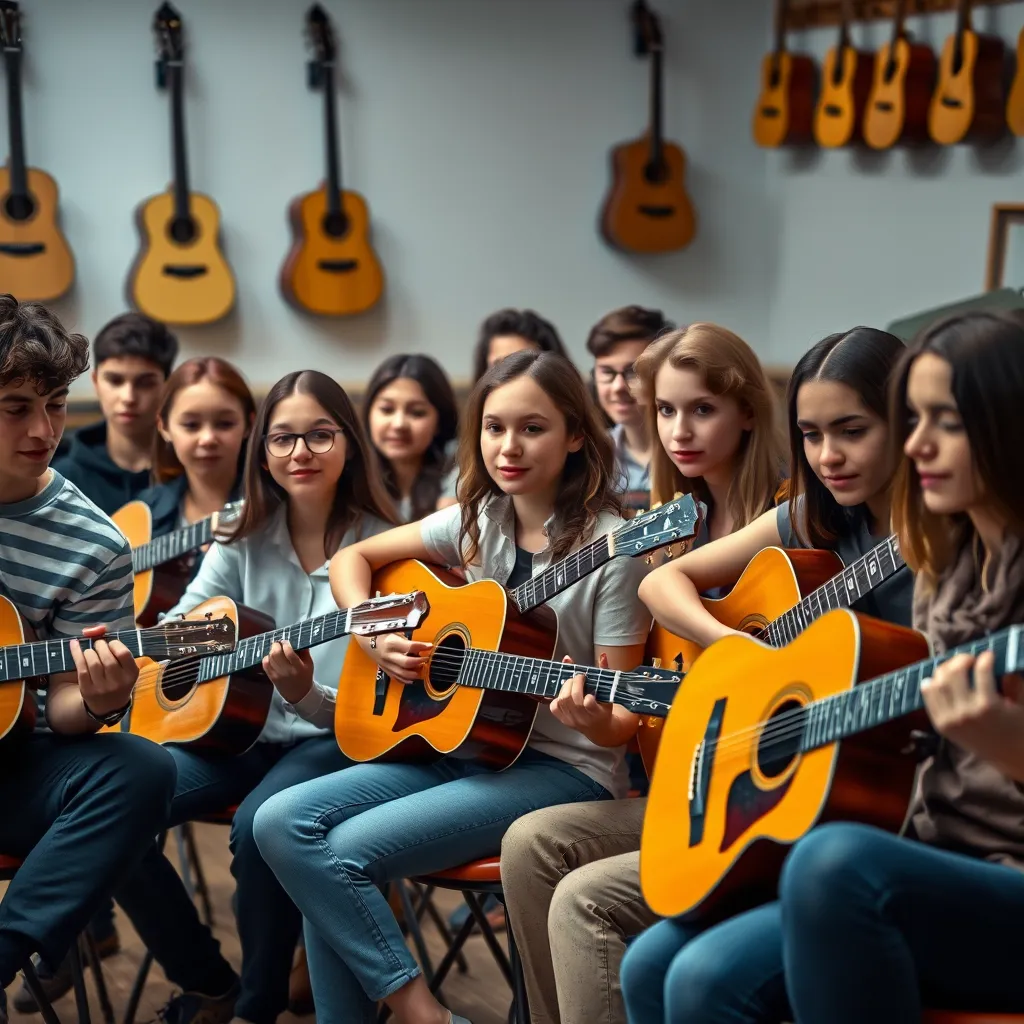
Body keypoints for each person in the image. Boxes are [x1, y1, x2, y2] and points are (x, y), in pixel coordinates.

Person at [253, 350, 652, 1023]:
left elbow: (619, 722)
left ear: (577, 435)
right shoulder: (475, 519)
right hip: (463, 745)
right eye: (494, 428)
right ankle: (425, 1015)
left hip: (564, 768)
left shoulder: (617, 550)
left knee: (341, 856)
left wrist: (588, 717)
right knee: (279, 822)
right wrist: (374, 634)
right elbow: (355, 558)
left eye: (532, 428)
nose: (508, 447)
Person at [619, 323, 952, 1024]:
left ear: (906, 426)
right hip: (809, 789)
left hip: (891, 801)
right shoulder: (814, 514)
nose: (828, 456)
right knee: (645, 964)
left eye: (851, 431)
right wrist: (731, 646)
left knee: (699, 980)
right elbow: (662, 585)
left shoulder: (949, 539)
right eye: (810, 434)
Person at [500, 322, 785, 1024]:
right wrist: (607, 720)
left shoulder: (790, 527)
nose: (678, 430)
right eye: (664, 410)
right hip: (679, 781)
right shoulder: (667, 529)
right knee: (528, 842)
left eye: (701, 409)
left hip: (758, 790)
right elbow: (650, 707)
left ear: (747, 411)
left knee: (580, 894)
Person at [113, 370, 395, 1024]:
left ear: (349, 442)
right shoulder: (240, 535)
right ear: (262, 452)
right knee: (114, 802)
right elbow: (173, 630)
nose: (301, 453)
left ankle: (256, 1008)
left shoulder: (383, 549)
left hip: (333, 741)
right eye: (283, 439)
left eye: (320, 436)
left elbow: (370, 706)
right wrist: (193, 645)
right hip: (234, 737)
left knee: (256, 826)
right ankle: (210, 980)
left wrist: (304, 692)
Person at [0, 295, 176, 1024]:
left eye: (58, 404)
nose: (44, 430)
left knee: (141, 768)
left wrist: (101, 700)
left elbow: (65, 710)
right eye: (15, 407)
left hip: (17, 761)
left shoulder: (94, 544)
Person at [53, 312, 178, 513]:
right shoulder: (64, 479)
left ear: (167, 386)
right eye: (115, 380)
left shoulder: (190, 467)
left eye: (145, 383)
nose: (128, 397)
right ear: (96, 382)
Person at [138, 356, 255, 536]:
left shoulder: (274, 505)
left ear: (249, 424)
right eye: (191, 425)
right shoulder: (143, 512)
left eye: (224, 424)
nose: (207, 439)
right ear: (164, 427)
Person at [587, 305, 674, 511]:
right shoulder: (591, 458)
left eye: (633, 372)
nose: (618, 387)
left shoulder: (689, 451)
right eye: (607, 372)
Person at [364, 353, 458, 522]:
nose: (399, 424)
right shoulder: (348, 475)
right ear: (368, 413)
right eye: (387, 409)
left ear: (439, 422)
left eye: (417, 412)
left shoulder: (459, 470)